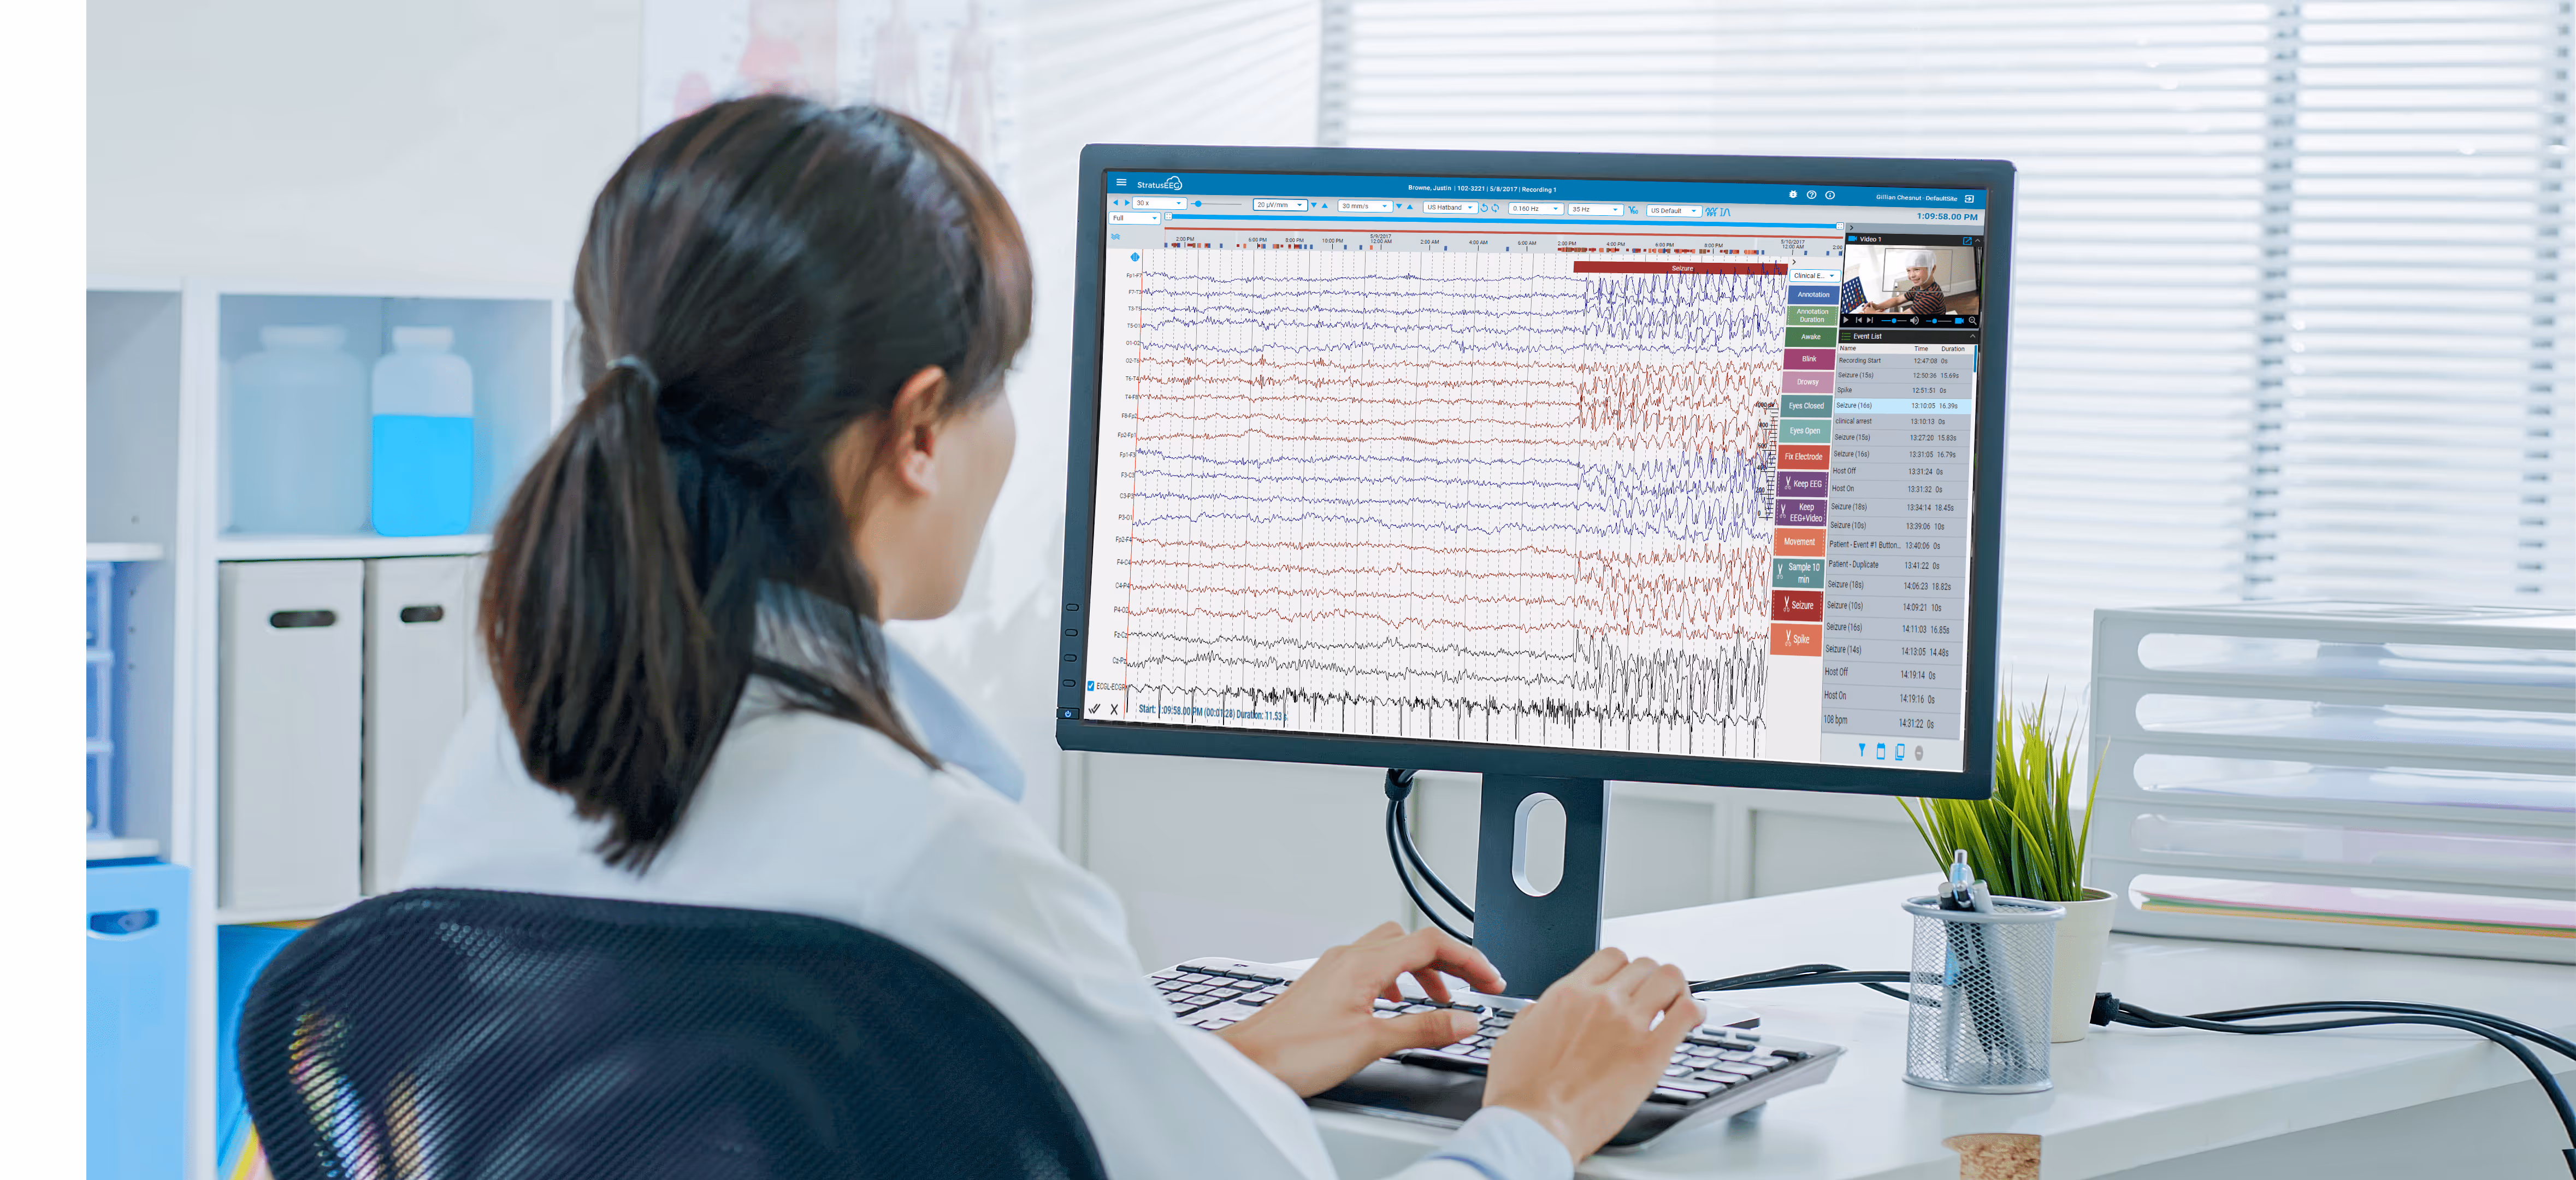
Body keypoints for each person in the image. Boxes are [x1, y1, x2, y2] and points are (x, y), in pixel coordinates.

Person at [400, 95, 1698, 1180]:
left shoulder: (496, 769)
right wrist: (1534, 1118)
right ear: (919, 429)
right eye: (1002, 382)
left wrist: (1218, 1057)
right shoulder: (929, 856)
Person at [1863, 247, 1945, 315]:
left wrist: (1874, 313)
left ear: (1932, 269)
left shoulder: (1932, 296)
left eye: (1917, 269)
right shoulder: (1918, 288)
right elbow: (1898, 300)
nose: (1912, 275)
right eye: (1909, 271)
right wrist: (1877, 306)